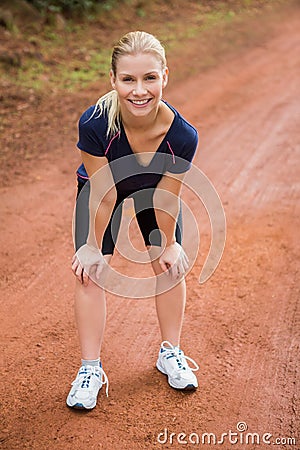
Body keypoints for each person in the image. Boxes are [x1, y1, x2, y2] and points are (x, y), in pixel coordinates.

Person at [67, 31, 199, 410]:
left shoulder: (182, 136)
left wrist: (170, 244)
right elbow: (104, 193)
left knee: (171, 265)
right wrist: (92, 249)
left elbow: (165, 195)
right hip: (102, 191)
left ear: (165, 77)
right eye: (128, 79)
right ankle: (90, 368)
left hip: (153, 189)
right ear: (113, 80)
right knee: (89, 271)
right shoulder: (94, 124)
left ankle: (170, 352)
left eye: (149, 78)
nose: (139, 90)